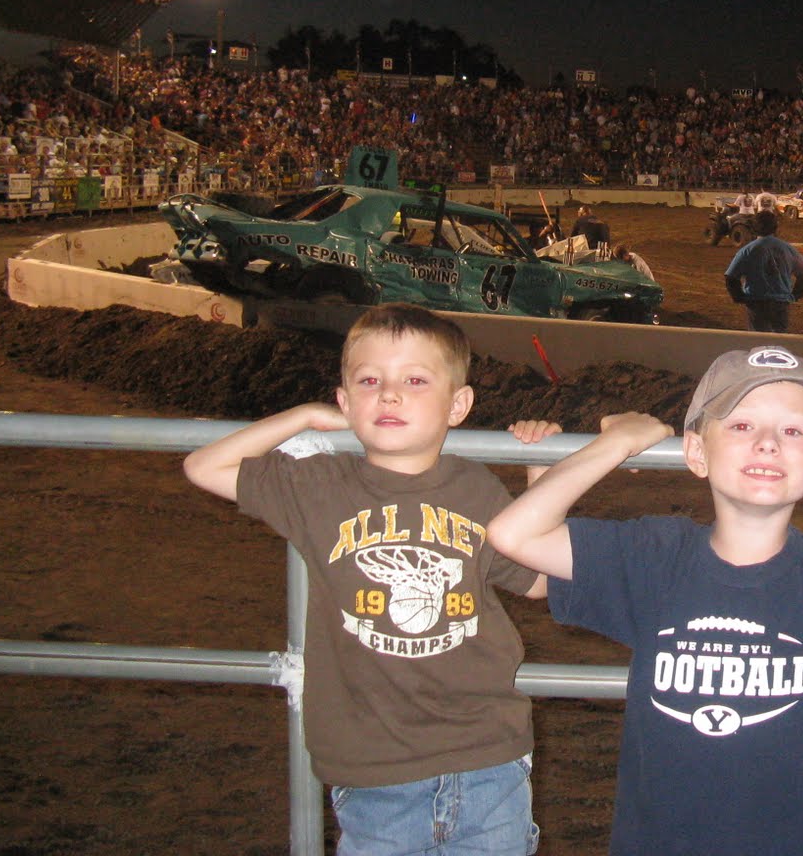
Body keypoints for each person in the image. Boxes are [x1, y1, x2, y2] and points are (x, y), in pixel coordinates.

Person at [484, 345, 803, 855]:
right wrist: (616, 444)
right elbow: (516, 536)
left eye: (793, 431)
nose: (768, 444)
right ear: (696, 452)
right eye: (740, 425)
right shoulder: (653, 556)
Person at [183, 304, 551, 856]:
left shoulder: (478, 490)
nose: (390, 394)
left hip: (487, 759)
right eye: (369, 380)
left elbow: (541, 579)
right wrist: (302, 416)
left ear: (459, 405)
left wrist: (540, 470)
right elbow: (203, 467)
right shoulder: (317, 488)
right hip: (374, 771)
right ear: (344, 399)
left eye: (415, 380)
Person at [723, 208, 803, 332]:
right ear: (775, 227)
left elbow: (731, 277)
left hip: (756, 302)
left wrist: (740, 297)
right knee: (778, 341)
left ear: (754, 228)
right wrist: (795, 295)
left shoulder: (747, 250)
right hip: (780, 302)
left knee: (758, 341)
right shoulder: (787, 249)